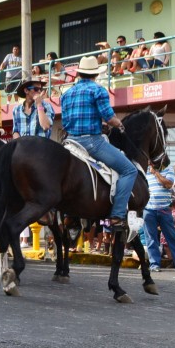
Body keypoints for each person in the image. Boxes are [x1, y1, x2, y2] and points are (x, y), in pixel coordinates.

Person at [60, 55, 136, 231]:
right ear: (95, 74)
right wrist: (119, 123)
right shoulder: (98, 90)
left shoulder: (67, 93)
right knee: (129, 170)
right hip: (91, 142)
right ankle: (117, 216)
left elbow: (66, 122)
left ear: (79, 74)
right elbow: (109, 117)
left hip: (69, 141)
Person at [142, 161, 175, 272]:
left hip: (165, 209)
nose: (151, 163)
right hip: (149, 209)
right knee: (151, 239)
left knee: (172, 238)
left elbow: (168, 184)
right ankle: (154, 264)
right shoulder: (144, 171)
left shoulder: (168, 170)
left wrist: (156, 173)